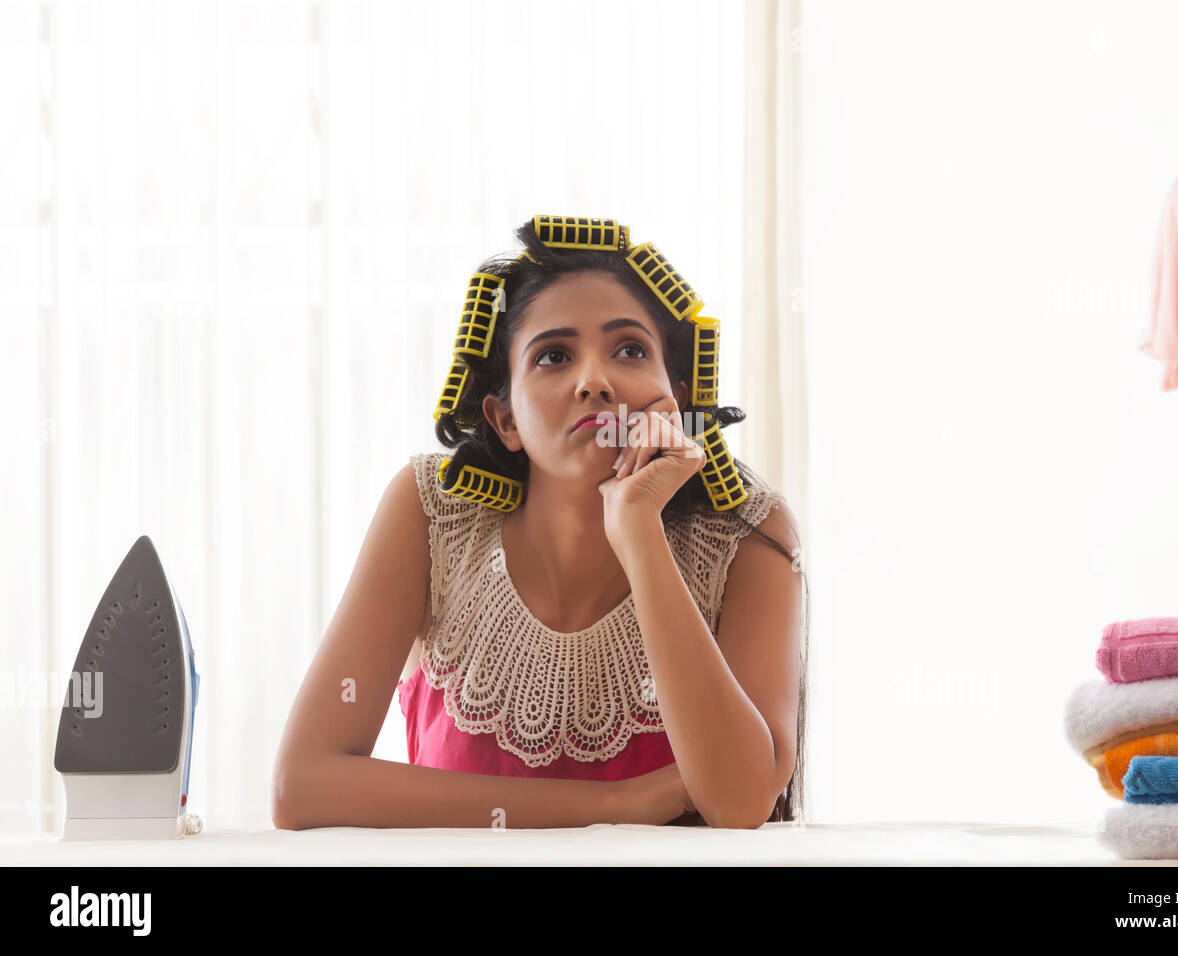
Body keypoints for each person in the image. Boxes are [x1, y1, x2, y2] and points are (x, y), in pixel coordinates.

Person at [273, 217, 808, 829]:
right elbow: (302, 786)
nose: (595, 382)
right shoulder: (429, 513)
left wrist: (638, 530)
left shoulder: (750, 530)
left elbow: (739, 802)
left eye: (629, 349)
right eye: (554, 356)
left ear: (677, 396)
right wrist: (615, 806)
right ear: (505, 421)